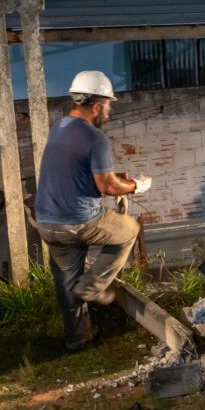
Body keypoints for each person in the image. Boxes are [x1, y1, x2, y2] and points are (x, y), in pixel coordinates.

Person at [35, 71, 152, 351]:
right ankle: (93, 287)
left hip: (48, 223)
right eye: (109, 106)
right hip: (79, 222)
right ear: (96, 106)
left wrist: (115, 179)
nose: (109, 113)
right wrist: (136, 185)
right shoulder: (94, 137)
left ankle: (78, 339)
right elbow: (108, 185)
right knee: (127, 231)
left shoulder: (59, 127)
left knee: (67, 282)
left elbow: (75, 173)